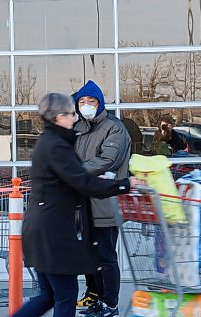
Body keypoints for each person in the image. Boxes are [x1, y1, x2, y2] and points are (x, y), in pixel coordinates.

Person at [13, 93, 138, 317]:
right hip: (53, 234)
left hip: (43, 231)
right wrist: (123, 185)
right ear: (59, 116)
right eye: (72, 113)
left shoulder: (51, 142)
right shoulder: (56, 146)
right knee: (65, 295)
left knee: (50, 295)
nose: (75, 117)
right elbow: (83, 182)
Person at [73, 80, 131, 317]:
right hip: (83, 203)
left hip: (106, 203)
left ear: (100, 103)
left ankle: (111, 304)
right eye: (82, 102)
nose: (86, 105)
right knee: (89, 256)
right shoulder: (80, 128)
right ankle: (94, 297)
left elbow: (108, 160)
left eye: (91, 101)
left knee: (106, 257)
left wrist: (74, 171)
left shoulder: (113, 128)